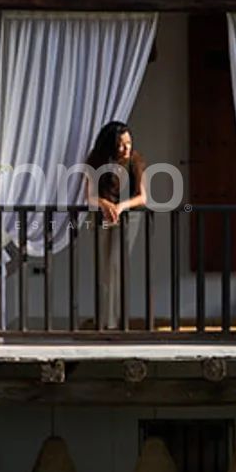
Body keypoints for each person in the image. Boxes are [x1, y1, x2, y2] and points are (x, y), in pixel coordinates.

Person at [84, 120, 146, 329]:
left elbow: (142, 197)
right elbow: (89, 196)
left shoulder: (134, 160)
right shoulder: (95, 161)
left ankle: (117, 321)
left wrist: (121, 207)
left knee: (117, 267)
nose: (126, 148)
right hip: (101, 218)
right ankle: (105, 321)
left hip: (128, 219)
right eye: (121, 144)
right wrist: (104, 203)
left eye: (128, 142)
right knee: (104, 268)